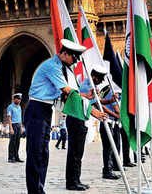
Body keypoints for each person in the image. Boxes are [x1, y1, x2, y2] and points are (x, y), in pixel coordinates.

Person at [24, 39, 106, 194]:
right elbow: (67, 91)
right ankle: (34, 191)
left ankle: (39, 188)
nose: (74, 62)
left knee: (43, 153)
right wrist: (91, 111)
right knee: (35, 153)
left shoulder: (61, 68)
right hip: (37, 109)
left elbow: (66, 94)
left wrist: (84, 97)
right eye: (73, 58)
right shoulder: (52, 67)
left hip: (46, 110)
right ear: (64, 53)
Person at [65, 64, 108, 191]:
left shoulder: (90, 86)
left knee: (78, 152)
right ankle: (72, 182)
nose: (101, 82)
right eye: (100, 79)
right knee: (75, 152)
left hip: (79, 119)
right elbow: (80, 101)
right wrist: (94, 107)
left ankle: (76, 179)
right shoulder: (86, 85)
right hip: (76, 118)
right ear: (94, 76)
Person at [7, 93, 23, 163]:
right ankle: (11, 157)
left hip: (18, 125)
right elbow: (9, 118)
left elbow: (20, 118)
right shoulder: (10, 107)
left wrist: (21, 127)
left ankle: (16, 157)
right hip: (13, 125)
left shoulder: (19, 107)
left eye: (20, 99)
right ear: (14, 99)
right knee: (12, 142)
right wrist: (11, 128)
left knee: (17, 142)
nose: (19, 100)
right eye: (18, 99)